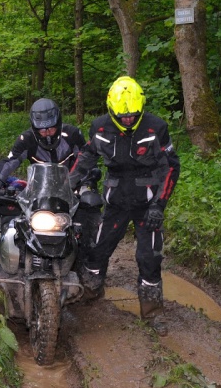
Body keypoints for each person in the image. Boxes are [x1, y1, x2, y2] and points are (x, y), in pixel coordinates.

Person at [68, 76, 180, 335]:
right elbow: (85, 158)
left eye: (132, 115)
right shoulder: (99, 127)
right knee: (97, 250)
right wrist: (66, 186)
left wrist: (159, 206)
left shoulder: (156, 128)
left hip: (147, 203)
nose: (128, 119)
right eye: (123, 116)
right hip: (115, 201)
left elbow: (171, 167)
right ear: (111, 109)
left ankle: (152, 313)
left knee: (149, 257)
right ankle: (91, 293)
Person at [0, 98, 101, 262]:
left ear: (59, 122)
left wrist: (87, 182)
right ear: (34, 127)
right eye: (42, 129)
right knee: (11, 212)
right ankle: (12, 259)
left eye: (51, 127)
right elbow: (9, 162)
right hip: (39, 189)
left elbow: (85, 160)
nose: (47, 132)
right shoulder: (26, 139)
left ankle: (89, 267)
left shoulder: (72, 135)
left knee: (89, 215)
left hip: (70, 188)